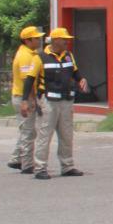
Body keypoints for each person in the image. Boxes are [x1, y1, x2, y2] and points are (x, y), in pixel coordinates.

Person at [29, 27, 88, 179]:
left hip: (66, 101)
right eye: (64, 39)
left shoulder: (69, 56)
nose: (67, 41)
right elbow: (29, 80)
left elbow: (75, 73)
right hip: (49, 102)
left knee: (67, 135)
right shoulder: (40, 57)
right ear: (55, 40)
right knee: (44, 135)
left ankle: (67, 166)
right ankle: (40, 168)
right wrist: (26, 101)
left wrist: (81, 79)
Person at [7, 25, 45, 173]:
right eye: (36, 38)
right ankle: (27, 165)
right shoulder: (25, 56)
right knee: (28, 131)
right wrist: (30, 100)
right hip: (24, 97)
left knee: (27, 130)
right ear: (28, 41)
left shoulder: (30, 53)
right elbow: (26, 81)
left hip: (23, 96)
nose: (39, 40)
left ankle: (16, 158)